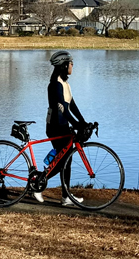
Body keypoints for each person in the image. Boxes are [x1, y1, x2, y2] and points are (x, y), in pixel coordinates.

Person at [36, 50, 86, 206]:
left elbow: (71, 104)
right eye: (71, 63)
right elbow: (63, 108)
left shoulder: (64, 83)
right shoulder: (55, 84)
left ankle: (66, 196)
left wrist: (83, 122)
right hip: (55, 126)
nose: (72, 66)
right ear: (64, 65)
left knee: (67, 161)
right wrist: (77, 124)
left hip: (63, 125)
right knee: (63, 162)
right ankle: (39, 183)